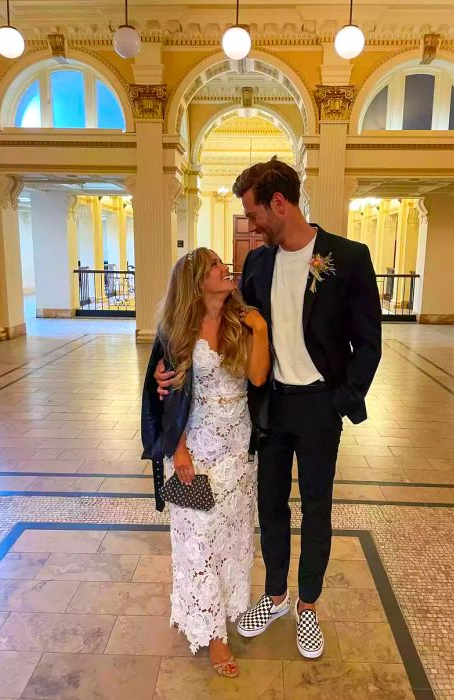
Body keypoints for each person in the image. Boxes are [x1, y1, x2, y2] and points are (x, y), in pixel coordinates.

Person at [156, 157, 382, 659]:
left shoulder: (348, 257)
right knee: (271, 506)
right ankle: (276, 595)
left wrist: (341, 401)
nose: (252, 226)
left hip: (320, 407)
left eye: (255, 214)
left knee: (317, 508)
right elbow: (206, 324)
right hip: (269, 409)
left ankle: (307, 606)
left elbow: (369, 342)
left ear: (279, 203)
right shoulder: (259, 264)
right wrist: (166, 373)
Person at [141, 247, 270, 678]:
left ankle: (227, 611)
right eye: (215, 266)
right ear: (198, 283)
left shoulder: (240, 321)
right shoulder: (176, 330)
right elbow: (165, 399)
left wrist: (261, 330)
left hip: (238, 450)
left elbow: (256, 377)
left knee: (232, 539)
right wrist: (177, 449)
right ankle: (213, 634)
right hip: (195, 450)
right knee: (199, 541)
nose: (224, 270)